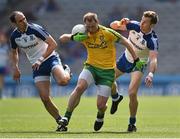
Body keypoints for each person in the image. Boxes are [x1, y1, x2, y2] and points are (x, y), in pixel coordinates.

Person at [57, 12, 145, 132]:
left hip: (107, 72)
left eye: (93, 26)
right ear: (85, 25)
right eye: (88, 27)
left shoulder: (107, 33)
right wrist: (73, 37)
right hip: (91, 67)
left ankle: (101, 114)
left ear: (97, 23)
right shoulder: (83, 33)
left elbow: (127, 42)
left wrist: (136, 59)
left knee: (101, 105)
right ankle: (66, 118)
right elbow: (62, 38)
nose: (91, 29)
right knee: (79, 87)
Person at [9, 11, 71, 131]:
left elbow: (53, 44)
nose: (24, 21)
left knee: (63, 81)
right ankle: (60, 121)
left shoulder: (35, 29)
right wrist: (15, 67)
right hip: (37, 66)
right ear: (15, 24)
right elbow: (14, 52)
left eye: (24, 18)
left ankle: (66, 70)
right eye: (20, 20)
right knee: (44, 98)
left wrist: (40, 59)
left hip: (50, 58)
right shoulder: (14, 36)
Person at [110, 10, 159, 132]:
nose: (142, 23)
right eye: (142, 20)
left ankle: (132, 123)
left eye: (145, 22)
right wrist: (120, 22)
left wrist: (151, 74)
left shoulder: (152, 40)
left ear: (151, 25)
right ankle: (116, 97)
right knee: (107, 79)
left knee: (132, 93)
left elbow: (153, 59)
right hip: (126, 58)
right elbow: (112, 26)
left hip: (139, 63)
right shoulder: (133, 25)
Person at [0, 31, 10, 99]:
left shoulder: (6, 46)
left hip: (3, 66)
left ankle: (1, 94)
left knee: (1, 81)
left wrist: (8, 64)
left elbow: (9, 56)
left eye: (3, 37)